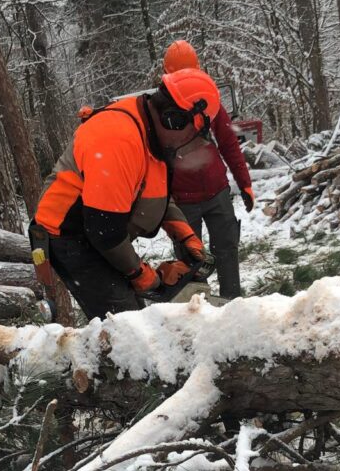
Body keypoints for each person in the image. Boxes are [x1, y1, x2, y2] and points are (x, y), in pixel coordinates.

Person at [30, 69, 220, 321]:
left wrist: (184, 234)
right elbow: (104, 231)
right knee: (124, 320)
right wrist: (143, 276)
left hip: (99, 228)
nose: (190, 144)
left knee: (134, 315)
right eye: (192, 135)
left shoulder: (152, 133)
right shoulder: (120, 138)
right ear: (175, 119)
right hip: (68, 233)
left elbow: (157, 192)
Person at [163, 40, 254, 299]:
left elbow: (228, 142)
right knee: (190, 262)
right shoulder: (161, 108)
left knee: (227, 250)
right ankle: (197, 309)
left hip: (217, 191)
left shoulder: (208, 99)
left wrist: (244, 182)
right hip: (182, 199)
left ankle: (231, 304)